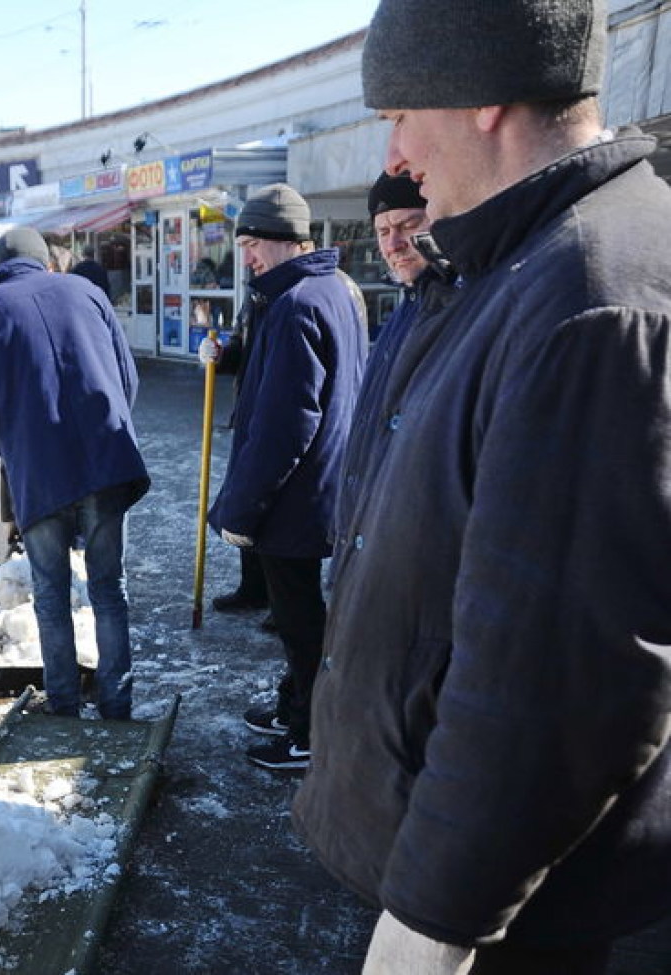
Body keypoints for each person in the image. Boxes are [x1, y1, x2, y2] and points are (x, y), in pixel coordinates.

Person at [293, 2, 671, 973]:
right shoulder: (502, 268)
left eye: (401, 111)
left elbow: (557, 682)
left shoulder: (592, 293)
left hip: (512, 909)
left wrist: (433, 925)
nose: (398, 151)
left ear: (485, 97)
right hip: (464, 864)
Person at [201, 183, 365, 771]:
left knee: (300, 621)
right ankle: (296, 704)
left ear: (283, 241)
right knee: (301, 616)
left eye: (251, 245)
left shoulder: (296, 305)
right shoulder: (332, 289)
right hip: (322, 481)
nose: (246, 257)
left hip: (295, 493)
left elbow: (284, 426)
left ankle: (313, 731)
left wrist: (242, 512)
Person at [0, 226, 150, 720]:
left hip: (40, 476)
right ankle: (117, 702)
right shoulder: (87, 292)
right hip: (108, 461)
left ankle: (63, 704)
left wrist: (18, 449)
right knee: (110, 589)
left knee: (51, 593)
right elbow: (127, 380)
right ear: (47, 262)